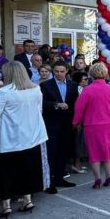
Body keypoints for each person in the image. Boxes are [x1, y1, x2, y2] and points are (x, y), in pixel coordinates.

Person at [0, 62, 49, 217]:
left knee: (5, 172)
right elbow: (39, 110)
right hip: (30, 136)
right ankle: (27, 200)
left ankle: (6, 205)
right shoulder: (35, 89)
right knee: (26, 170)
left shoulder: (3, 92)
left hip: (9, 138)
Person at [73, 63, 110, 188]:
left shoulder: (87, 90)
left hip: (92, 124)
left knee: (95, 153)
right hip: (109, 123)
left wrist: (76, 122)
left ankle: (97, 178)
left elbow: (79, 108)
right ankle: (109, 176)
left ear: (91, 74)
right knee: (108, 151)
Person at [40, 61, 78, 193]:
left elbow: (75, 103)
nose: (59, 74)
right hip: (51, 123)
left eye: (62, 71)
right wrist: (56, 105)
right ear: (53, 71)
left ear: (67, 71)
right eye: (56, 71)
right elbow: (41, 103)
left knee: (63, 152)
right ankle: (49, 182)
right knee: (51, 153)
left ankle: (59, 178)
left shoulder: (73, 85)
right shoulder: (45, 85)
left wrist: (76, 121)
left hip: (67, 123)